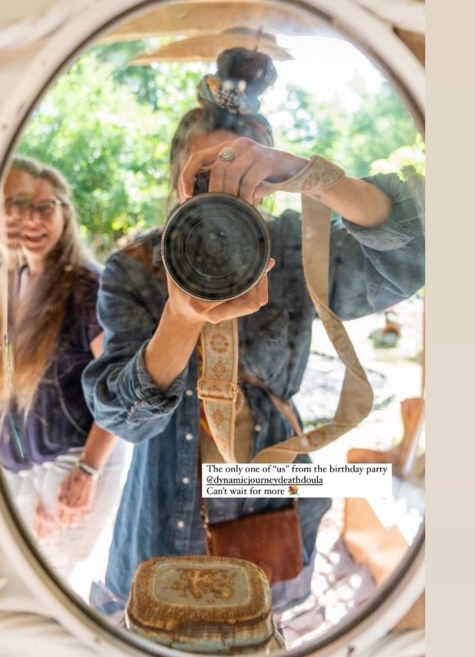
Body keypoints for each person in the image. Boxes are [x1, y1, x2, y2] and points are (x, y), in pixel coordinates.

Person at [82, 48, 425, 617]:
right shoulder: (137, 268)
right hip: (165, 503)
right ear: (176, 176)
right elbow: (121, 417)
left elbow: (418, 249)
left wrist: (307, 174)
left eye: (242, 177)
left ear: (267, 185)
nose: (223, 196)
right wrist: (180, 319)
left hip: (269, 498)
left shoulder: (294, 246)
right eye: (205, 176)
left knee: (260, 637)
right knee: (160, 631)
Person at [0, 157, 121, 576]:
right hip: (13, 464)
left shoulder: (89, 288)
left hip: (73, 463)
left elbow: (121, 393)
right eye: (20, 207)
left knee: (44, 581)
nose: (33, 220)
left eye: (46, 208)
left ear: (66, 213)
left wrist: (86, 473)